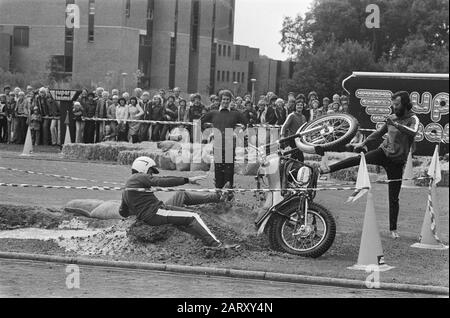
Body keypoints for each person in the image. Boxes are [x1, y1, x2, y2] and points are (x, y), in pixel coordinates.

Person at [319, 91, 419, 239]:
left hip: (397, 162)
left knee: (394, 197)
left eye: (397, 104)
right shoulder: (391, 118)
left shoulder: (412, 118)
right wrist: (364, 142)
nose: (394, 107)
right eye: (393, 104)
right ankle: (328, 169)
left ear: (405, 104)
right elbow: (378, 133)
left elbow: (413, 131)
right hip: (383, 152)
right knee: (359, 159)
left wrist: (396, 124)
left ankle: (393, 229)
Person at [119, 156, 239, 249]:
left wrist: (137, 209)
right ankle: (216, 245)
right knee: (193, 216)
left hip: (157, 210)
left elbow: (122, 212)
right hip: (156, 213)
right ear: (143, 169)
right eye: (150, 171)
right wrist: (187, 180)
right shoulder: (138, 177)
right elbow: (161, 181)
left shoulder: (126, 189)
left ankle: (217, 197)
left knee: (182, 195)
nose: (150, 174)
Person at [201, 90, 248, 190]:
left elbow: (246, 124)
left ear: (230, 101)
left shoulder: (235, 114)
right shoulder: (214, 113)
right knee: (218, 169)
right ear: (220, 100)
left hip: (230, 145)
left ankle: (228, 191)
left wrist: (237, 133)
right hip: (217, 145)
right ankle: (218, 191)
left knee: (229, 169)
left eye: (227, 99)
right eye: (224, 99)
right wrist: (209, 133)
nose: (225, 101)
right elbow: (201, 122)